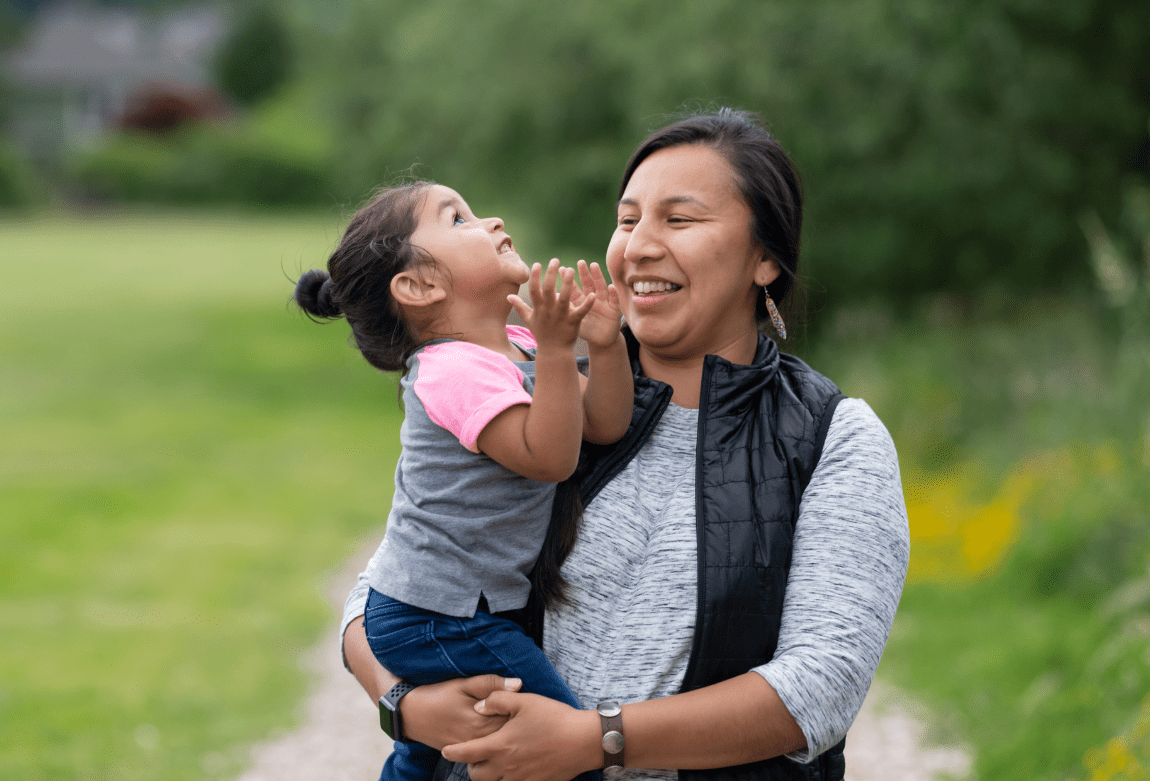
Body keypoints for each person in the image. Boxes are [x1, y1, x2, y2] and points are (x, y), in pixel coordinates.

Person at [341, 109, 909, 781]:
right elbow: (387, 585)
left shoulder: (832, 437)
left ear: (764, 258)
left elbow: (821, 688)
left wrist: (595, 740)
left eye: (679, 219)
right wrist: (404, 706)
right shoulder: (550, 394)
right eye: (629, 218)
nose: (638, 244)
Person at [294, 181, 633, 781]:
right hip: (435, 615)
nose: (492, 219)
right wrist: (559, 353)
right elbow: (549, 457)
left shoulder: (522, 345)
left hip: (455, 608)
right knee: (558, 740)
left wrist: (602, 347)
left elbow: (603, 425)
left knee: (430, 754)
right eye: (457, 219)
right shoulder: (450, 370)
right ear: (420, 286)